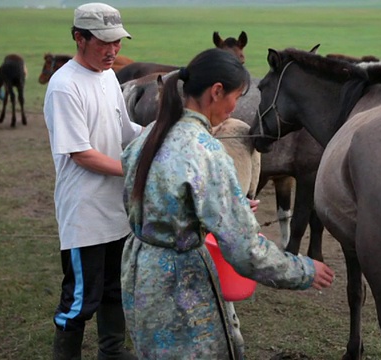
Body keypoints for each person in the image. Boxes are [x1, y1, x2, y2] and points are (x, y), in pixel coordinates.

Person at [120, 48, 335, 359]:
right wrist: (303, 270)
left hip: (140, 274)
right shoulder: (207, 152)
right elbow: (245, 251)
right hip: (181, 285)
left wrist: (218, 211)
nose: (236, 108)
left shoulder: (148, 137)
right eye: (236, 96)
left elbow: (149, 202)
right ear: (217, 91)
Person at [43, 3, 143, 359]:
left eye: (116, 41)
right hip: (84, 214)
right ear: (79, 38)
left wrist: (159, 136)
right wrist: (133, 169)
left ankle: (112, 352)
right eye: (103, 42)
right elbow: (81, 153)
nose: (112, 50)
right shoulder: (64, 87)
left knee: (115, 289)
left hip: (115, 209)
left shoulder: (107, 76)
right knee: (81, 298)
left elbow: (125, 131)